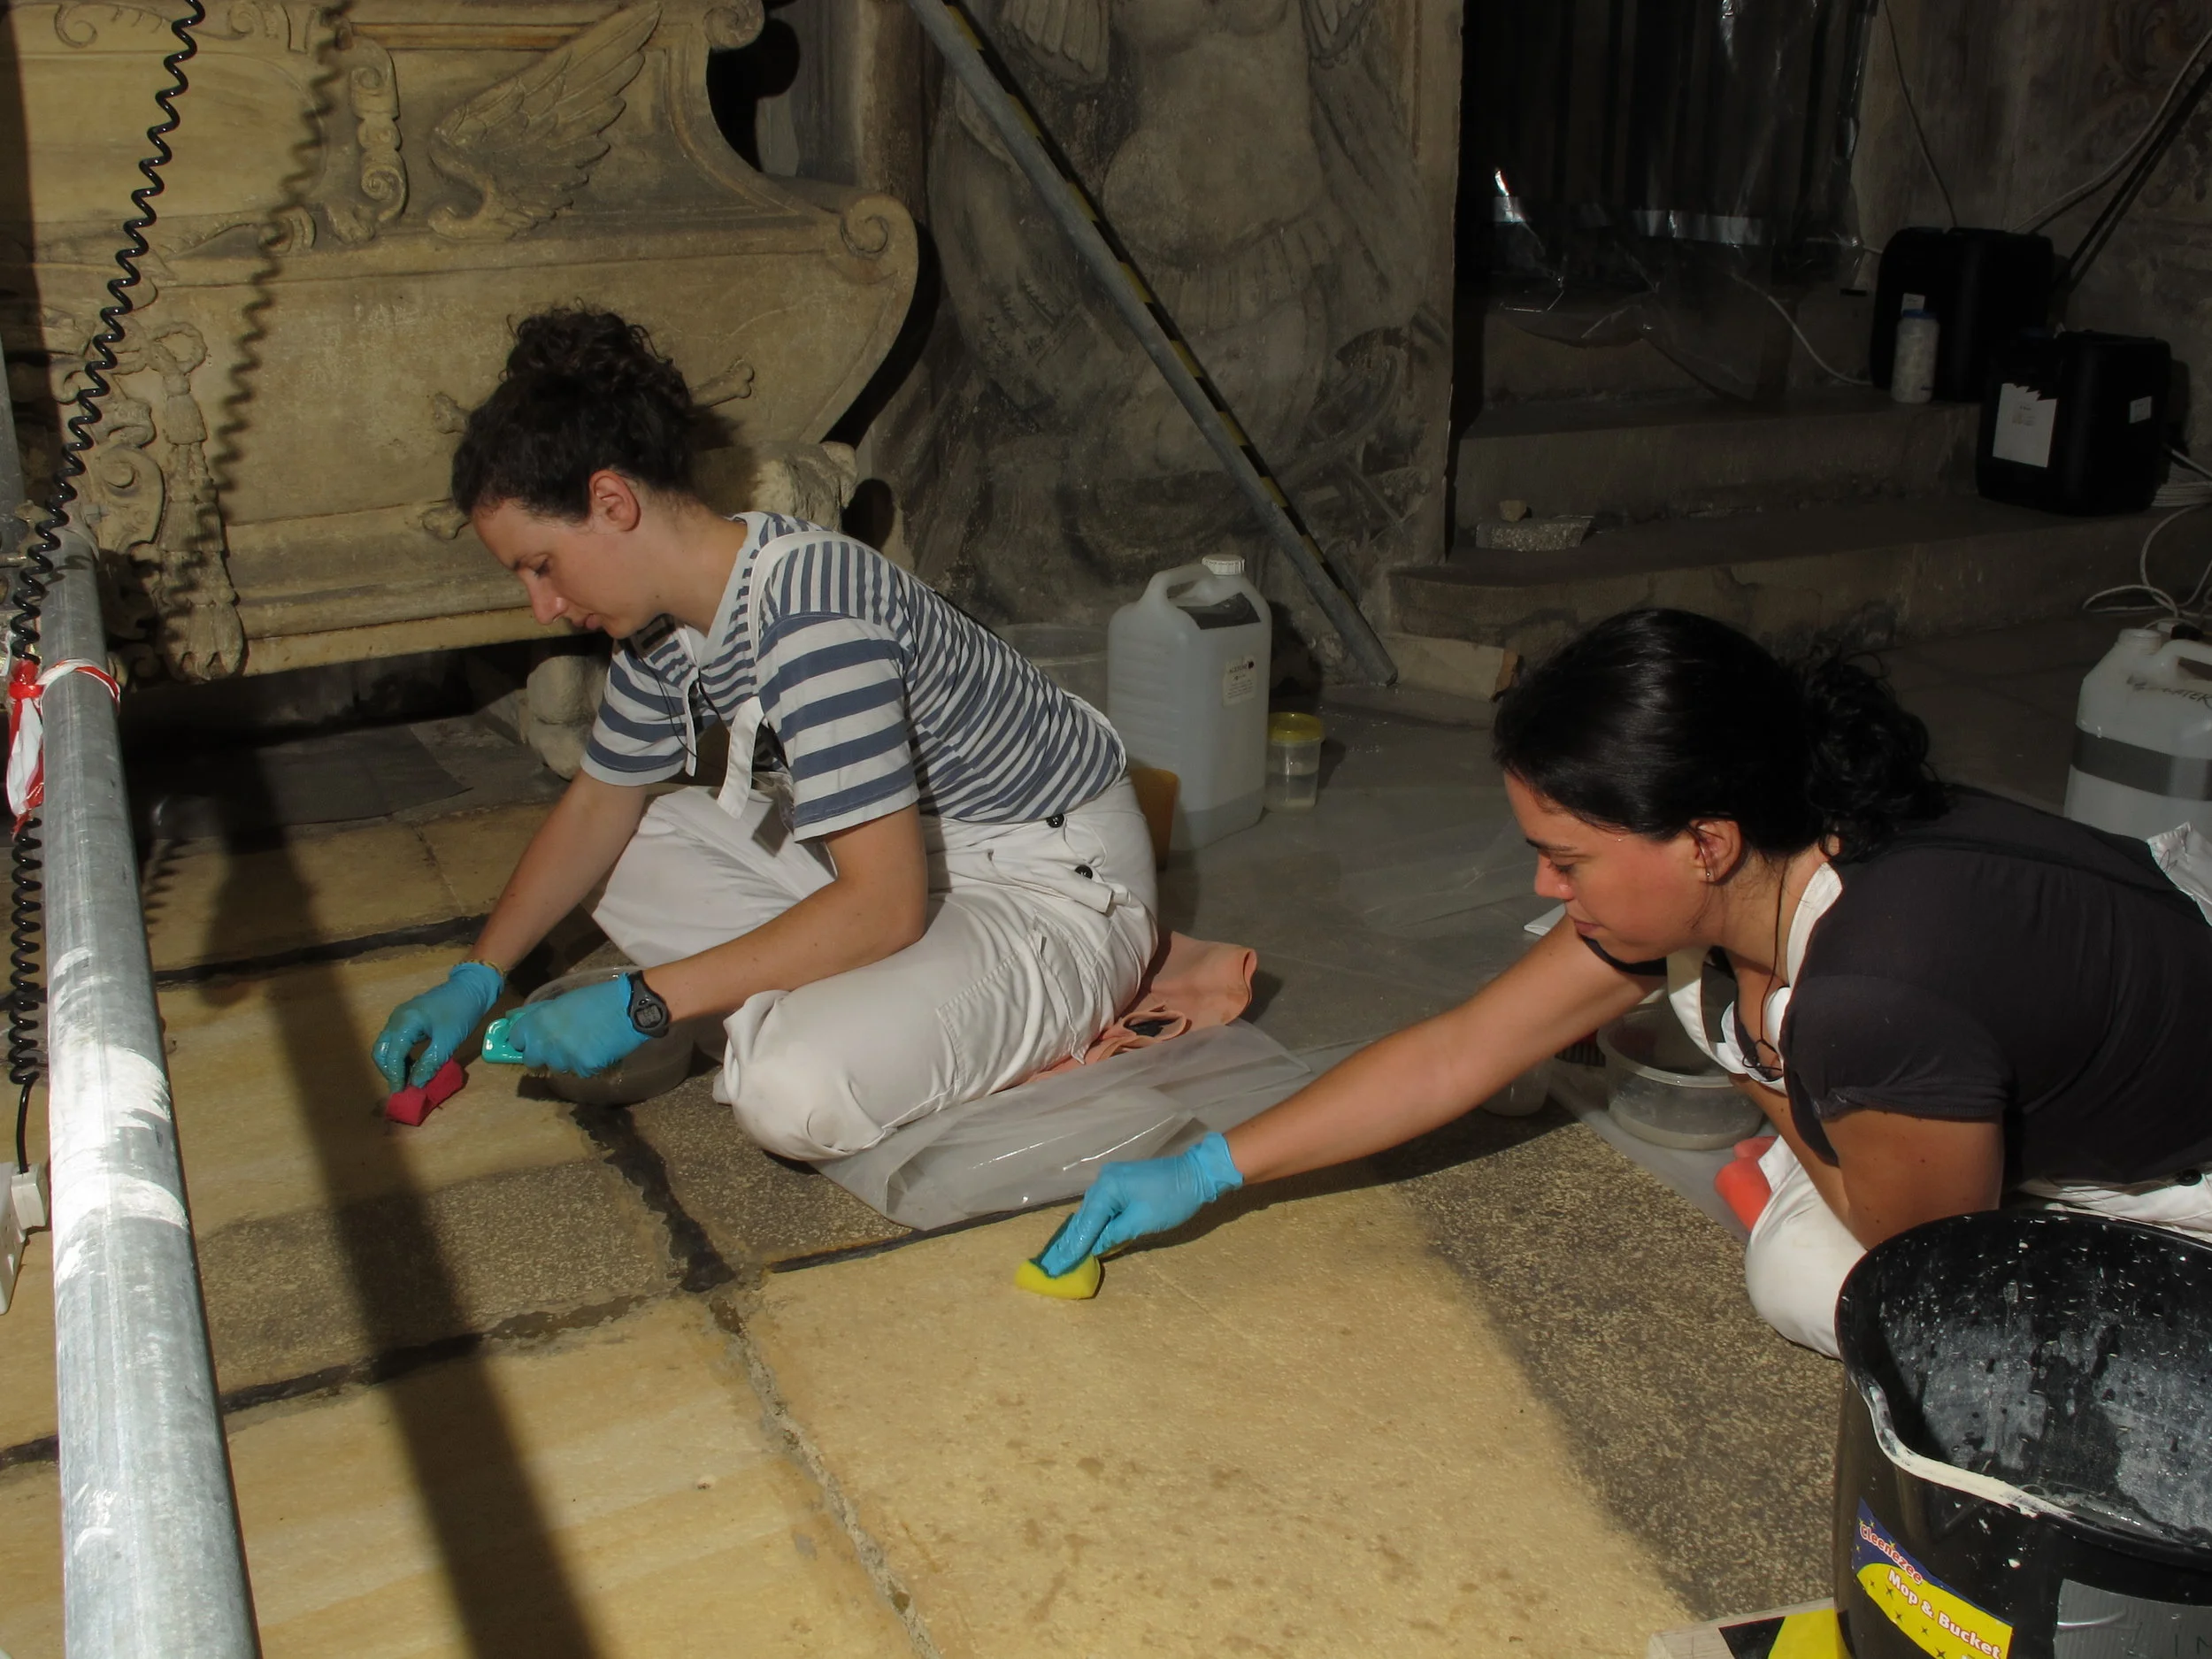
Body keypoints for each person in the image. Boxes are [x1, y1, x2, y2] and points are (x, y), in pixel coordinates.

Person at [1040, 607, 2212, 1356]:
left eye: (1570, 856)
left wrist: (1755, 1057)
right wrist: (1209, 1163)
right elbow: (1462, 1048)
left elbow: (1935, 1284)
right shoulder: (1774, 834)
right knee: (1776, 1108)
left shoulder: (1872, 992)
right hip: (2079, 1008)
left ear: (1702, 838)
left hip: (2177, 1181)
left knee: (1813, 1278)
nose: (1548, 884)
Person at [371, 308, 1157, 1160]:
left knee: (792, 1093)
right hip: (897, 859)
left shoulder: (812, 611)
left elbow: (886, 906)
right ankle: (838, 1013)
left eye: (541, 564)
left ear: (611, 500)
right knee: (632, 842)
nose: (543, 606)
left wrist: (646, 1003)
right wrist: (476, 974)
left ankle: (817, 1032)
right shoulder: (662, 625)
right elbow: (600, 803)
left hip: (1043, 889)